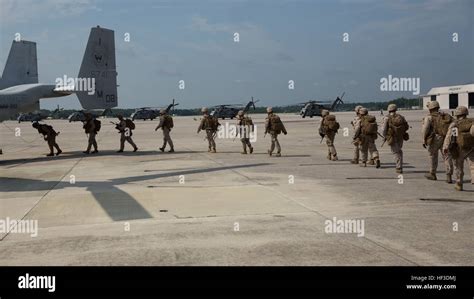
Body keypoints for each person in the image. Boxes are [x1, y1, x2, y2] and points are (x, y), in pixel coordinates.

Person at [421, 100, 454, 183]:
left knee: (432, 155)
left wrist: (423, 139)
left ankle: (432, 173)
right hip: (446, 138)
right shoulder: (446, 116)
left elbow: (425, 129)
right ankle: (449, 175)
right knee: (447, 156)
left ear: (430, 108)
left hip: (435, 138)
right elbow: (454, 125)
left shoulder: (429, 117)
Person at [443, 106, 474, 191]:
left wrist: (445, 147)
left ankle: (459, 183)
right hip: (471, 148)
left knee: (458, 166)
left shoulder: (456, 124)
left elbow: (451, 136)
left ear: (457, 114)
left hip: (459, 149)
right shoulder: (471, 123)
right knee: (472, 166)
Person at [382, 104, 409, 173]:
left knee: (396, 152)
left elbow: (384, 129)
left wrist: (384, 136)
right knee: (399, 151)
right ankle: (399, 166)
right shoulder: (401, 117)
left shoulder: (386, 118)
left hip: (392, 137)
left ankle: (399, 167)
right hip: (400, 137)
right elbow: (406, 127)